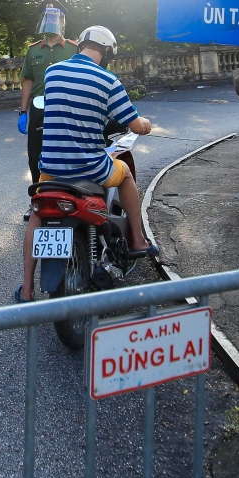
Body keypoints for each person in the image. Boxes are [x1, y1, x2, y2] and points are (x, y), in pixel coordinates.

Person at [15, 25, 155, 303]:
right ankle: (138, 240)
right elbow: (135, 125)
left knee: (37, 216)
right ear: (106, 51)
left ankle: (27, 289)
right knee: (125, 174)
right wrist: (147, 125)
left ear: (80, 45)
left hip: (52, 168)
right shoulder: (108, 80)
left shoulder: (52, 73)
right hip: (91, 167)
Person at [18, 1, 79, 219]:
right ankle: (36, 201)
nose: (50, 22)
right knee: (35, 156)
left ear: (61, 22)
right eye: (47, 18)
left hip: (67, 109)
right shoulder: (33, 50)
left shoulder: (74, 48)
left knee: (67, 153)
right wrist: (23, 112)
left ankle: (68, 200)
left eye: (55, 18)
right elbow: (27, 81)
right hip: (39, 109)